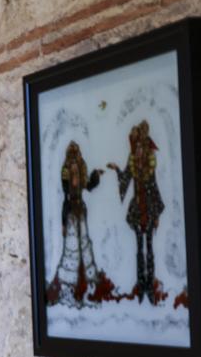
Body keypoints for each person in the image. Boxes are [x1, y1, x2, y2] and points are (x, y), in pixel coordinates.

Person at [48, 141, 112, 306]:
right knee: (71, 249)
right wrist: (63, 223)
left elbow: (89, 186)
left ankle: (87, 284)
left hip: (80, 212)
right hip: (70, 213)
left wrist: (96, 174)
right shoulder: (67, 193)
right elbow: (64, 201)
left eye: (77, 170)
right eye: (73, 170)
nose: (75, 173)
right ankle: (69, 287)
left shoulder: (81, 183)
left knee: (84, 245)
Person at [108, 120, 165, 304]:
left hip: (148, 208)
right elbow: (125, 178)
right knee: (138, 248)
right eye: (137, 147)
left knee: (149, 248)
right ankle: (141, 284)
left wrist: (156, 215)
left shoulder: (149, 167)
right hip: (137, 208)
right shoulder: (133, 162)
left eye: (141, 147)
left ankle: (150, 284)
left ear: (146, 149)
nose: (139, 150)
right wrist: (117, 170)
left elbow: (154, 188)